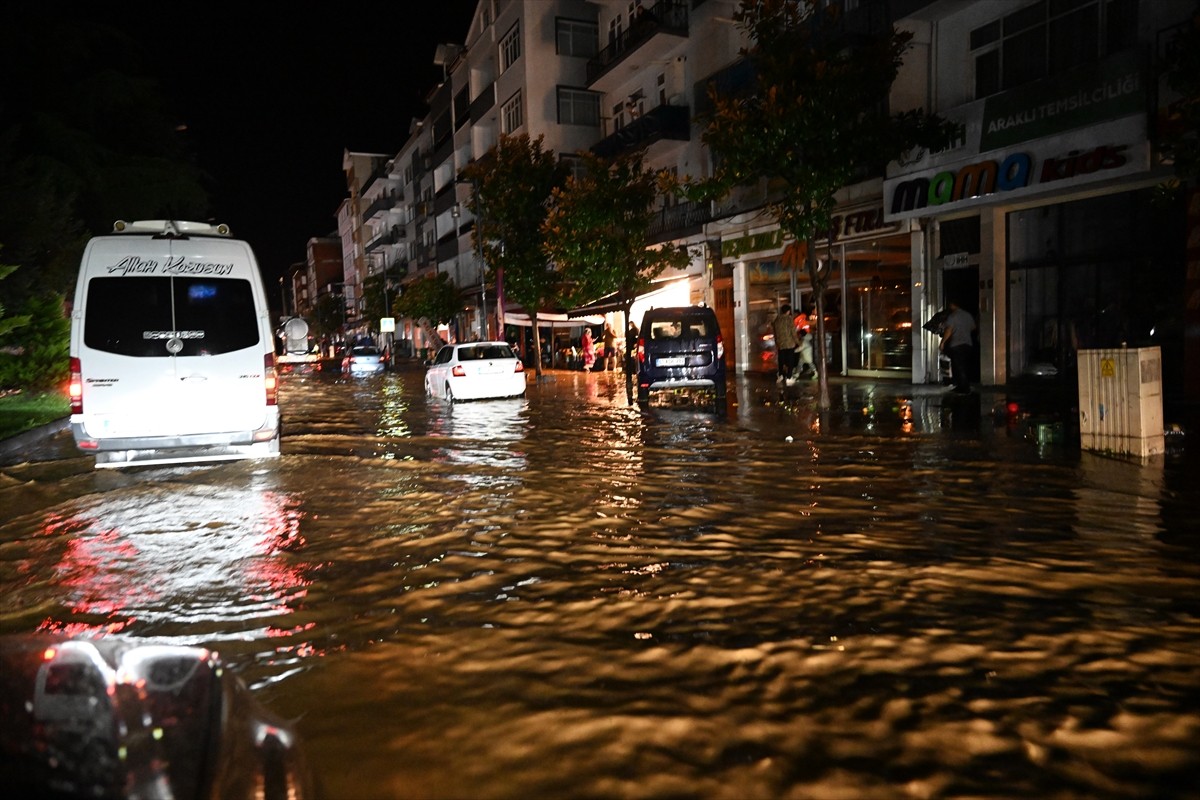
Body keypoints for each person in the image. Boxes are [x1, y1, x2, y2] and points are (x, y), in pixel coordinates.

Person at [940, 299, 976, 394]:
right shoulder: (968, 315)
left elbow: (949, 330)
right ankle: (964, 385)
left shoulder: (953, 316)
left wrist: (943, 342)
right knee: (965, 365)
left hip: (956, 344)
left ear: (952, 305)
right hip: (968, 343)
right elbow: (973, 327)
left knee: (958, 367)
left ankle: (963, 387)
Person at [772, 304, 800, 384]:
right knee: (790, 360)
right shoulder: (789, 319)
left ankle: (780, 375)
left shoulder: (777, 320)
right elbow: (793, 332)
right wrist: (798, 342)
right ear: (788, 311)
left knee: (781, 360)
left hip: (781, 344)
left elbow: (775, 332)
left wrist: (777, 342)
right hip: (789, 343)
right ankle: (789, 377)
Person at [794, 308, 816, 379]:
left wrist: (794, 350)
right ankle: (798, 372)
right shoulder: (803, 320)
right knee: (803, 361)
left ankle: (813, 371)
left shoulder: (799, 321)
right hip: (806, 340)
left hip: (804, 343)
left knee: (808, 362)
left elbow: (801, 346)